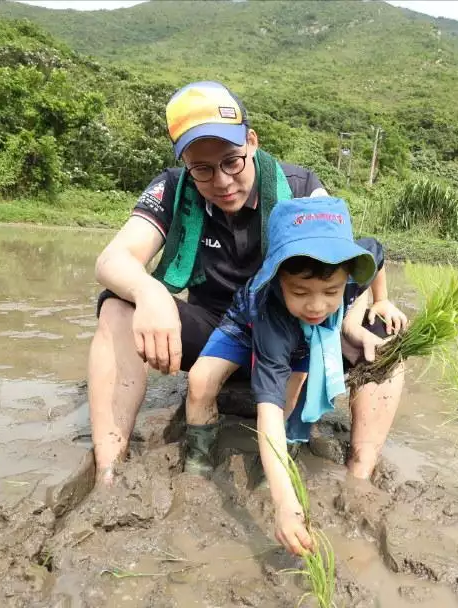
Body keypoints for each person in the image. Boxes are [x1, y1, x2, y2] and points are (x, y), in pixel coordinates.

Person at [88, 80, 334, 487]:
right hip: (213, 338)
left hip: (286, 337)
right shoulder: (172, 188)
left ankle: (360, 473)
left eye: (231, 161)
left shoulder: (301, 189)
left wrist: (370, 306)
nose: (221, 180)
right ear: (185, 162)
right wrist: (151, 293)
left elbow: (334, 265)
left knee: (380, 331)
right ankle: (108, 469)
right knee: (117, 304)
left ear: (251, 142)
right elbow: (113, 259)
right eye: (202, 168)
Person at [187, 196, 408, 556]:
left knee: (293, 394)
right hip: (244, 326)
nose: (317, 305)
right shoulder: (273, 315)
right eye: (300, 292)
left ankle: (276, 463)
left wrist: (381, 300)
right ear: (278, 279)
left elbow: (376, 253)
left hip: (303, 335)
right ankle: (196, 463)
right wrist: (285, 504)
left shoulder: (349, 266)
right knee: (199, 383)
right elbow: (267, 412)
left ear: (348, 275)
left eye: (331, 292)